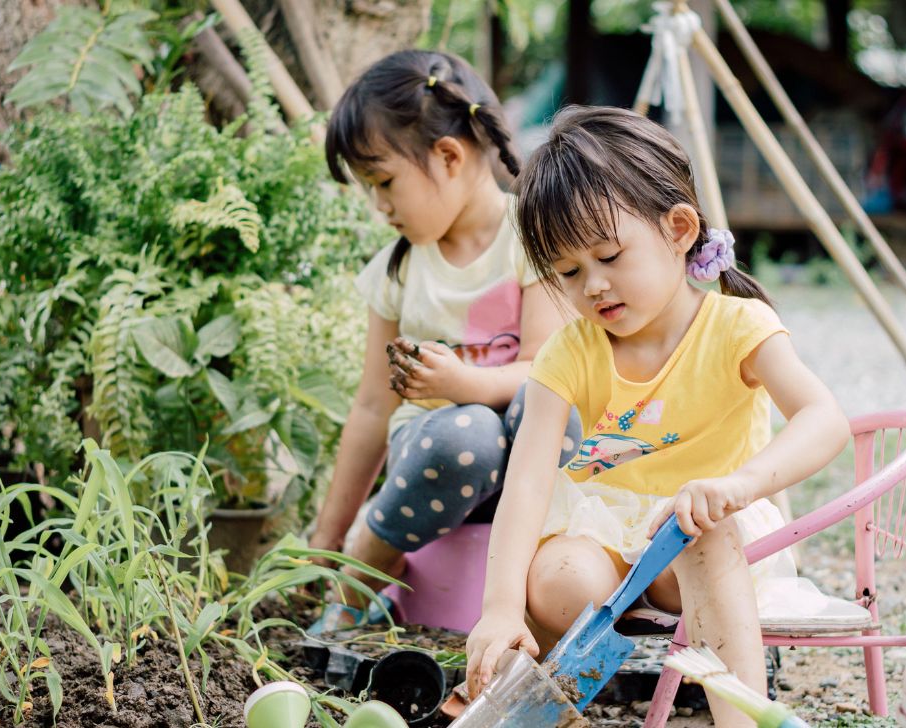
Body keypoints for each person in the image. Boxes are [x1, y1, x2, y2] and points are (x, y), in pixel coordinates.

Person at [464, 106, 850, 727]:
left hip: (712, 526)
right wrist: (501, 604)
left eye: (610, 256)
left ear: (677, 228)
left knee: (701, 537)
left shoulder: (735, 326)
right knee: (557, 576)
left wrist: (738, 486)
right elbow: (528, 481)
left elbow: (824, 418)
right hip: (611, 530)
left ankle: (741, 719)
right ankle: (531, 708)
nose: (592, 286)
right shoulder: (571, 349)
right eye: (568, 271)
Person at [307, 50, 580, 629]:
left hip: (529, 468)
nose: (379, 207)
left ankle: (539, 601)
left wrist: (465, 382)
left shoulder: (532, 240)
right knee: (469, 432)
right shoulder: (400, 269)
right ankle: (359, 577)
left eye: (384, 183)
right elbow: (373, 406)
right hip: (435, 462)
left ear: (449, 156)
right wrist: (328, 535)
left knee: (551, 403)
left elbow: (544, 366)